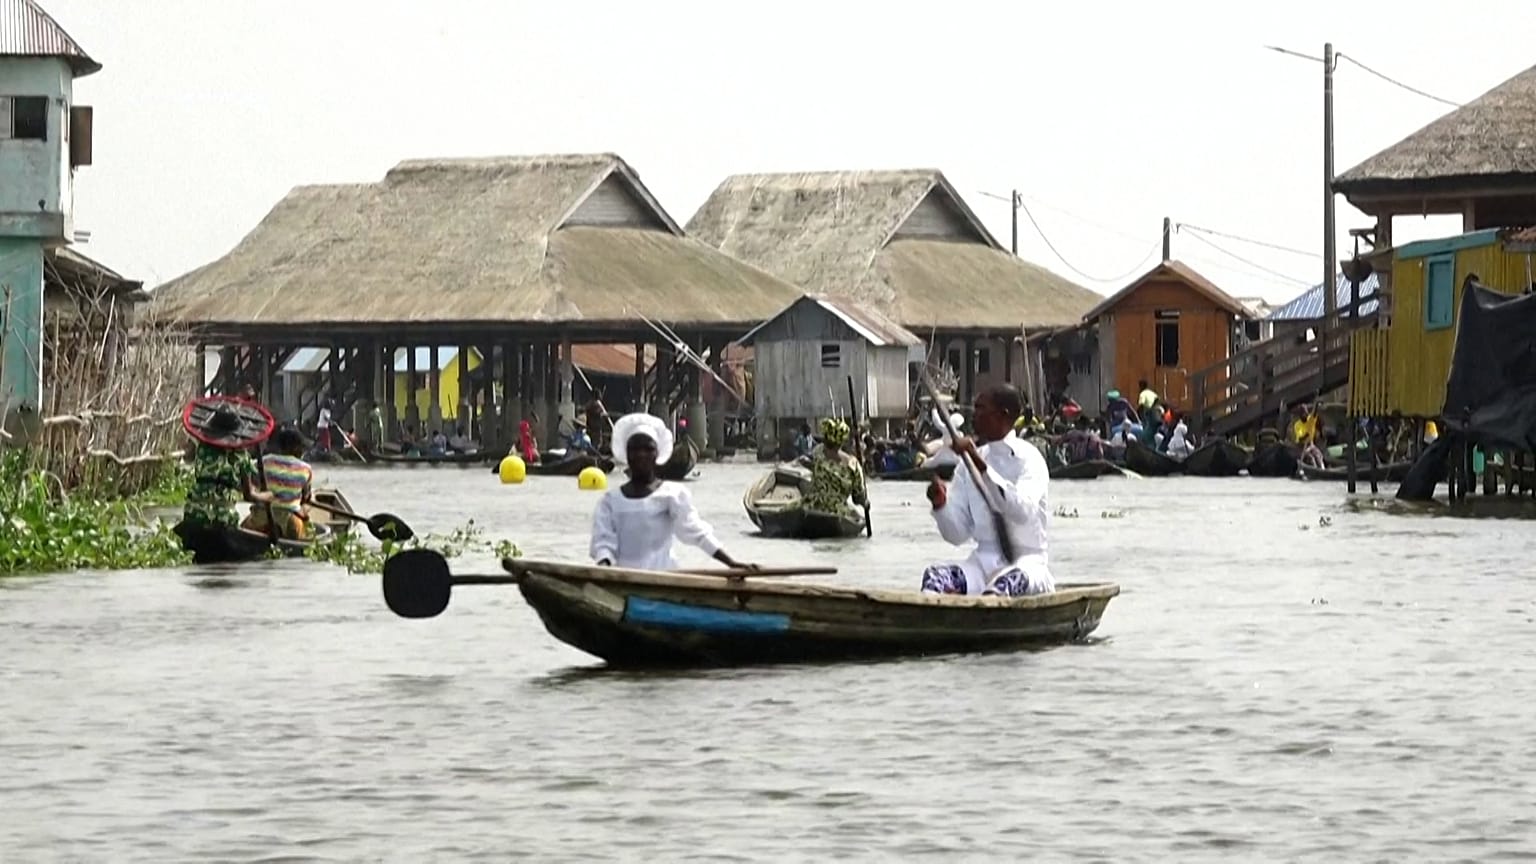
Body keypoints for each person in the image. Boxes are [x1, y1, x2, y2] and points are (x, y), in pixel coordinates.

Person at [919, 384, 1054, 597]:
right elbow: (957, 534)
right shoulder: (966, 464)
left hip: (1027, 564)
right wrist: (941, 505)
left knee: (1004, 585)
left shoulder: (1030, 459)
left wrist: (980, 465)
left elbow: (1021, 510)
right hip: (982, 563)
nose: (974, 415)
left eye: (981, 409)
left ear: (1003, 415)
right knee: (935, 578)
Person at [590, 413, 756, 571]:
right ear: (627, 454)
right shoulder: (610, 501)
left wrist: (732, 563)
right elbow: (603, 544)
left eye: (648, 449)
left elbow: (697, 533)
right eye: (635, 449)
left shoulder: (672, 495)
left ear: (657, 453)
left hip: (664, 579)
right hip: (624, 581)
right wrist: (605, 572)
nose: (641, 455)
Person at [182, 405, 274, 530]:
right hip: (223, 517)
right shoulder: (241, 456)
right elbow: (249, 495)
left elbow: (188, 455)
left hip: (193, 512)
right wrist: (267, 496)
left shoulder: (202, 448)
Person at [242, 427, 315, 539]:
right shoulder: (306, 469)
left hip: (260, 518)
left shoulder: (262, 462)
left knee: (243, 527)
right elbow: (307, 498)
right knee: (304, 519)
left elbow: (249, 485)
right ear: (295, 448)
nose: (302, 451)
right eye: (301, 448)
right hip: (291, 521)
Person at [803, 418, 867, 517]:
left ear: (824, 439)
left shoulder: (818, 453)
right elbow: (857, 498)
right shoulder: (853, 464)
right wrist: (865, 503)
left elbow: (804, 461)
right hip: (839, 510)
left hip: (813, 505)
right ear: (843, 441)